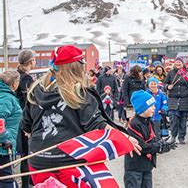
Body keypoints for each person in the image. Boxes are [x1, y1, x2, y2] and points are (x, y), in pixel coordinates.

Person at [21, 45, 141, 186]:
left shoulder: (36, 90)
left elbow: (26, 128)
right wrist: (124, 137)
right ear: (76, 66)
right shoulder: (79, 92)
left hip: (38, 161)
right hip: (70, 161)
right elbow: (96, 124)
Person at [124, 90, 177, 188]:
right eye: (151, 106)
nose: (154, 108)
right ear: (142, 108)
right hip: (134, 168)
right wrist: (159, 147)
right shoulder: (134, 124)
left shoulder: (149, 121)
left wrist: (163, 144)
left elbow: (153, 139)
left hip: (146, 166)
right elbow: (142, 146)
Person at [164, 58, 188, 144]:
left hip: (185, 99)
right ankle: (173, 136)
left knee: (183, 120)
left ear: (182, 64)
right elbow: (164, 84)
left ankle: (181, 137)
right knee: (173, 119)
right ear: (174, 64)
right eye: (177, 62)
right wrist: (167, 87)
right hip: (173, 99)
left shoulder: (187, 74)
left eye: (180, 62)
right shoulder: (170, 73)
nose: (178, 63)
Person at [16, 49, 36, 188]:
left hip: (18, 118)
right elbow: (30, 101)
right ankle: (27, 184)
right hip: (25, 119)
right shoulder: (26, 79)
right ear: (30, 61)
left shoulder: (16, 75)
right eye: (34, 59)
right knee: (27, 155)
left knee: (25, 154)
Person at [0, 70, 22, 188]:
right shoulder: (6, 98)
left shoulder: (5, 95)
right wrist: (5, 139)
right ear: (14, 83)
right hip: (3, 147)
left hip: (5, 144)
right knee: (7, 179)